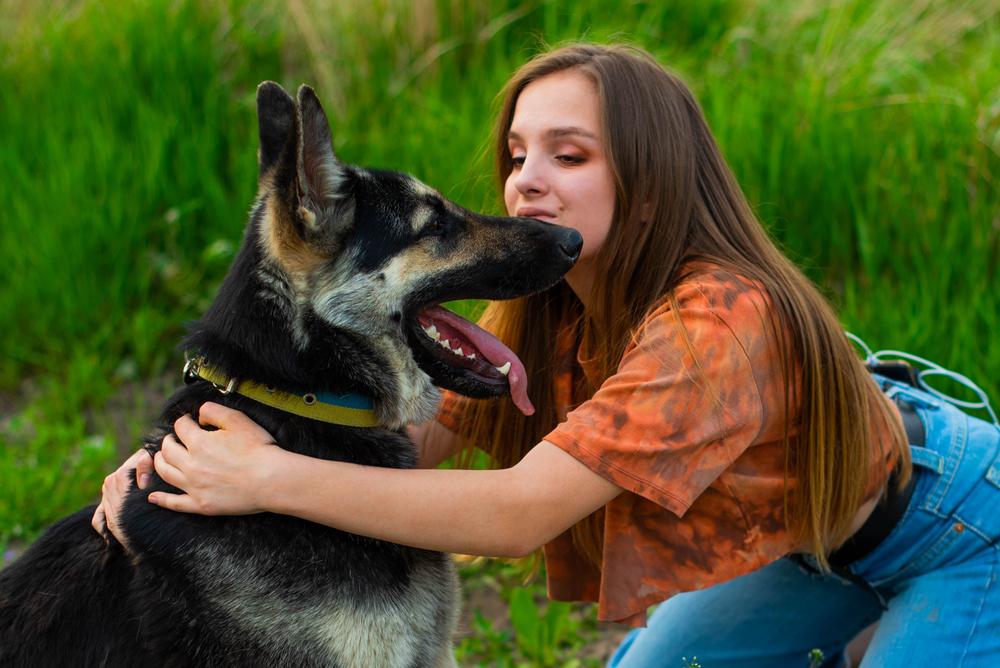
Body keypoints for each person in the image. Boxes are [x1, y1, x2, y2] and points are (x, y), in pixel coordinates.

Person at [94, 44, 1000, 666]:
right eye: (518, 152)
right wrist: (177, 478)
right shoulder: (547, 303)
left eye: (569, 156)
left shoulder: (720, 324)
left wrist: (265, 479)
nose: (526, 179)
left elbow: (517, 513)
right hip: (806, 552)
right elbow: (415, 448)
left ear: (650, 184)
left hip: (955, 532)